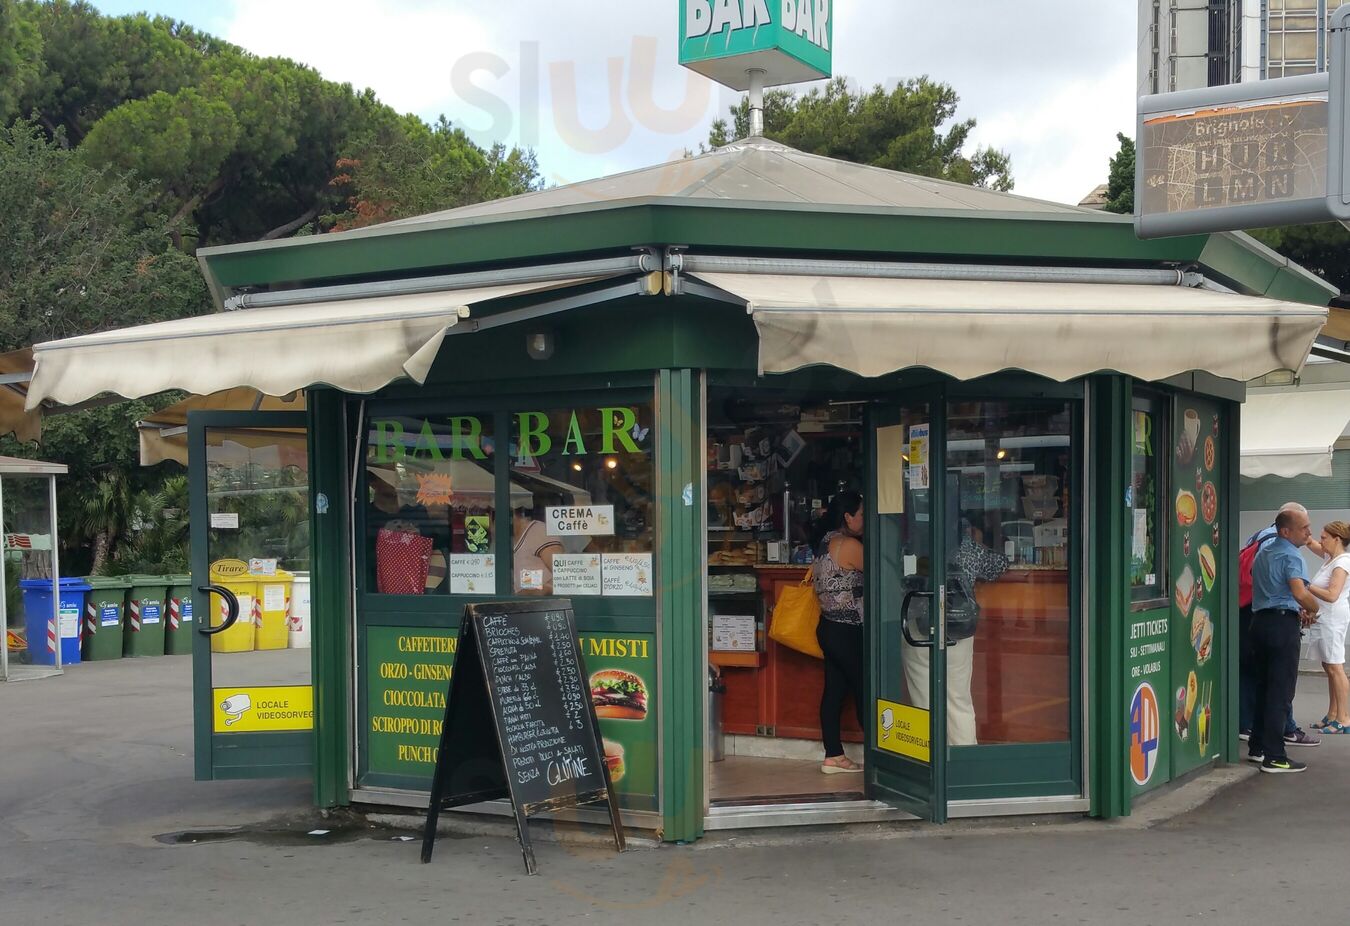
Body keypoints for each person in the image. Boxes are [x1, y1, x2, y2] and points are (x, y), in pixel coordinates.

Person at [903, 517, 1007, 746]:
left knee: (923, 699)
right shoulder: (968, 548)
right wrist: (979, 541)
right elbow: (998, 565)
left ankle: (929, 759)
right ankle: (963, 760)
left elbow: (899, 579)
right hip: (957, 627)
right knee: (958, 699)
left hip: (919, 624)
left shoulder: (912, 547)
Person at [1238, 502, 1323, 749]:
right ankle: (1276, 754)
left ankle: (1257, 746)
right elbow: (1299, 591)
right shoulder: (1290, 554)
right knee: (1281, 690)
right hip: (1281, 623)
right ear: (1286, 531)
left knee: (1262, 684)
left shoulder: (1263, 551)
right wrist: (1313, 607)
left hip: (1258, 621)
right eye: (1304, 528)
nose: (1309, 533)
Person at [812, 491, 865, 774]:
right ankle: (882, 754)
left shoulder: (824, 542)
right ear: (848, 517)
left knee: (834, 691)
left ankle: (833, 754)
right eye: (861, 514)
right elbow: (884, 572)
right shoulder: (849, 545)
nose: (865, 519)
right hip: (848, 629)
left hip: (828, 627)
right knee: (864, 687)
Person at [1305, 522, 1350, 732]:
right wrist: (1303, 530)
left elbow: (1332, 595)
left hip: (1333, 619)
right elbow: (1310, 543)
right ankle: (1332, 714)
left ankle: (1344, 718)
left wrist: (1306, 585)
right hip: (1323, 619)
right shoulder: (1329, 559)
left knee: (1336, 667)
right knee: (1328, 666)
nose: (1320, 541)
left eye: (1324, 538)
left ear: (1337, 539)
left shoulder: (1342, 563)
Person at [512, 506, 563, 595]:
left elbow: (564, 576)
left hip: (544, 605)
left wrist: (540, 590)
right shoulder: (502, 541)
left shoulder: (538, 532)